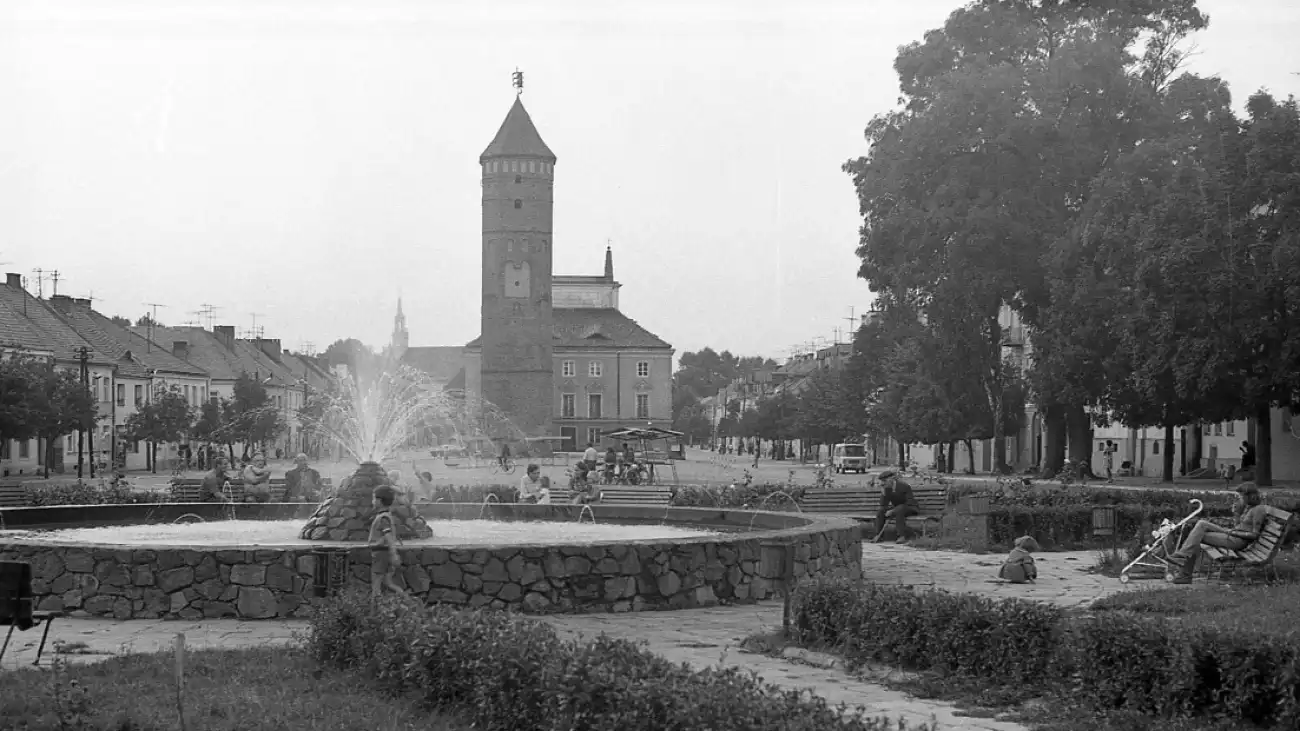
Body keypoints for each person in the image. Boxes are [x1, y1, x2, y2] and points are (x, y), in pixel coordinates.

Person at [1168, 483, 1270, 584]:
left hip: (1237, 541)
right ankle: (1183, 564)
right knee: (1199, 529)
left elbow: (1254, 535)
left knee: (1201, 527)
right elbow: (1241, 526)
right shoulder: (1249, 508)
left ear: (1249, 496)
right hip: (1233, 536)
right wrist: (1236, 514)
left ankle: (1184, 568)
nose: (1240, 499)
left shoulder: (1258, 510)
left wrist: (1233, 533)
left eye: (1241, 496)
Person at [368, 485, 405, 598]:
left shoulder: (383, 518)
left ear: (379, 501)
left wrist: (394, 554)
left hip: (381, 555)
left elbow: (388, 535)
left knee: (376, 585)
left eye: (374, 498)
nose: (373, 501)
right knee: (389, 583)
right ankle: (408, 602)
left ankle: (376, 611)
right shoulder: (387, 516)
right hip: (385, 554)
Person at [872, 470, 919, 544]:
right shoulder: (886, 488)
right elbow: (883, 505)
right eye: (882, 481)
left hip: (910, 507)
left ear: (892, 478)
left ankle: (902, 536)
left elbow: (909, 502)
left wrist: (893, 511)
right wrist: (884, 495)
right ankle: (878, 535)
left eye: (884, 480)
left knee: (900, 510)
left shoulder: (904, 486)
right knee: (881, 511)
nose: (883, 483)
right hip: (898, 509)